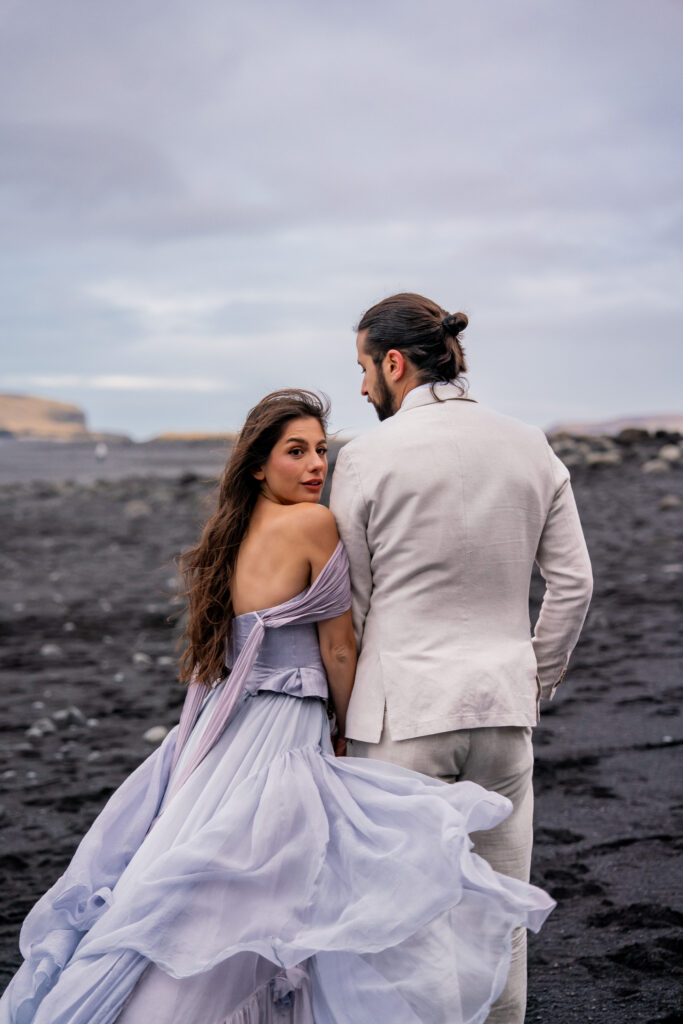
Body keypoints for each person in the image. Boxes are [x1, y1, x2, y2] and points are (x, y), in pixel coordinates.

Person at [1, 389, 554, 1024]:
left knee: (209, 874)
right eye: (296, 451)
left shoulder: (232, 532)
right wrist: (346, 724)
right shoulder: (313, 524)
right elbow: (338, 649)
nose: (317, 464)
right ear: (259, 465)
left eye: (321, 449)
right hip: (286, 726)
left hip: (226, 723)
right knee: (280, 880)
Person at [330, 294, 593, 1024]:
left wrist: (341, 717)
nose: (361, 387)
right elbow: (574, 584)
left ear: (393, 363)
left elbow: (351, 605)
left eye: (363, 368)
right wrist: (534, 677)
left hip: (401, 720)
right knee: (500, 915)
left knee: (408, 927)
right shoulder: (528, 444)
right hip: (502, 712)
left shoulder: (367, 456)